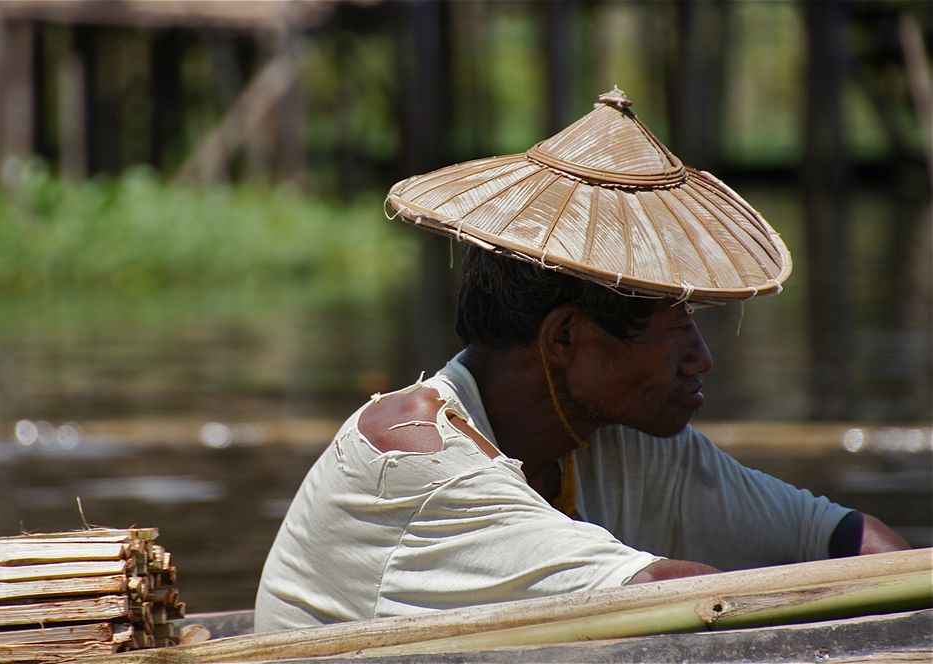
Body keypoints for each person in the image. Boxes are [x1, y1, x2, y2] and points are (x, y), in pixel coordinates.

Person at [253, 88, 908, 633]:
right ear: (565, 340)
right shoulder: (417, 464)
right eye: (675, 330)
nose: (700, 361)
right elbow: (687, 604)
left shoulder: (621, 441)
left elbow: (851, 540)